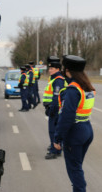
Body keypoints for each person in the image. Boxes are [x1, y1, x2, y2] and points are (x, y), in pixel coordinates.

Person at [54, 55, 95, 192]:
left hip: (75, 133)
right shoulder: (86, 86)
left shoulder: (73, 89)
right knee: (77, 166)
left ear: (67, 70)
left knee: (74, 169)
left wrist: (58, 137)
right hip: (87, 129)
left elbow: (67, 117)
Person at [42, 56, 66, 159]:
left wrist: (51, 110)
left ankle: (54, 150)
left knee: (53, 131)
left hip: (55, 109)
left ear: (58, 69)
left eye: (52, 68)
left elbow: (56, 98)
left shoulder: (58, 80)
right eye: (49, 68)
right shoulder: (54, 78)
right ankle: (57, 147)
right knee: (56, 130)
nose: (49, 70)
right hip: (53, 108)